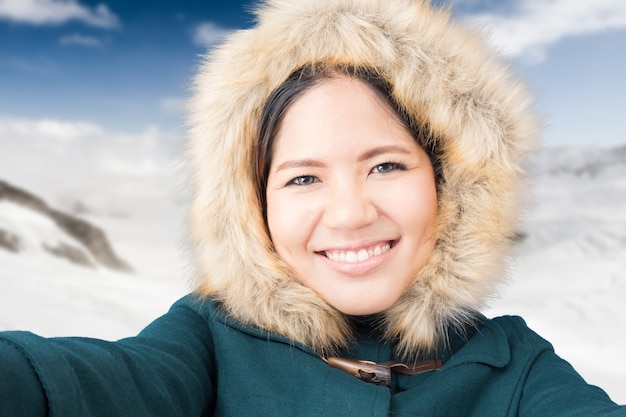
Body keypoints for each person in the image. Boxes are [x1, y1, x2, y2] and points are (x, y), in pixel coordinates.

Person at [1, 0, 624, 415]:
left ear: (449, 183)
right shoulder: (209, 340)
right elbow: (93, 383)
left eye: (386, 165)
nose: (349, 214)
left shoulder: (515, 367)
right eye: (302, 179)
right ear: (254, 207)